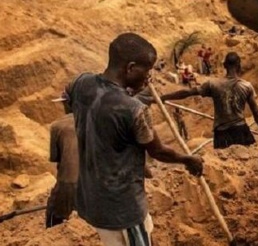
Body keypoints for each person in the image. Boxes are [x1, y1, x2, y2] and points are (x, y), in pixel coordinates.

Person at [65, 33, 203, 245]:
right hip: (122, 209)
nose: (149, 76)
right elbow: (158, 152)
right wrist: (188, 160)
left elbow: (68, 96)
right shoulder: (134, 110)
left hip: (91, 197)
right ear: (130, 68)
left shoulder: (81, 83)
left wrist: (87, 129)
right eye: (146, 70)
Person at [162, 52, 258, 149]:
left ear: (224, 66)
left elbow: (187, 93)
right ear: (239, 66)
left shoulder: (213, 84)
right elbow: (256, 112)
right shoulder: (247, 86)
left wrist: (165, 97)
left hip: (222, 134)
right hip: (241, 131)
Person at [45, 99, 78, 228]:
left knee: (53, 214)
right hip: (98, 184)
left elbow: (56, 159)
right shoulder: (98, 121)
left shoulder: (57, 126)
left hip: (70, 183)